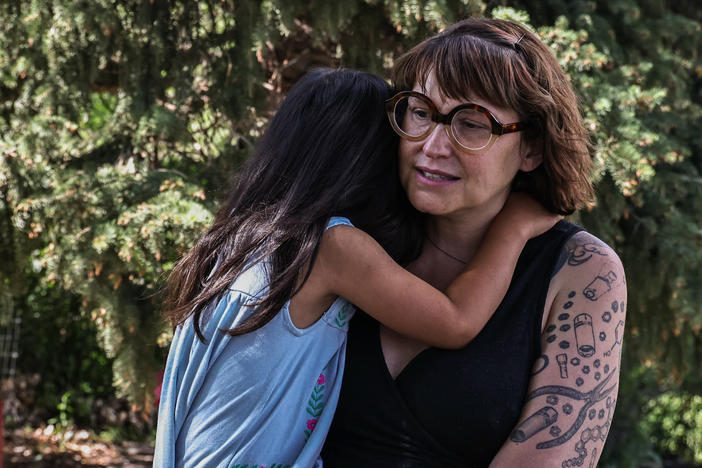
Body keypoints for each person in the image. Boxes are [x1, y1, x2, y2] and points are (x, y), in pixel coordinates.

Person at [153, 68, 559, 467]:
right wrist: (514, 228)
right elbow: (455, 321)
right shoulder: (330, 246)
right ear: (367, 157)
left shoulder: (242, 239)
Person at [322, 18, 626, 468]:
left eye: (471, 124)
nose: (432, 145)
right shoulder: (348, 242)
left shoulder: (581, 272)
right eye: (421, 112)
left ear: (532, 149)